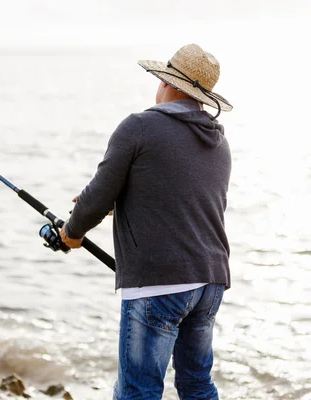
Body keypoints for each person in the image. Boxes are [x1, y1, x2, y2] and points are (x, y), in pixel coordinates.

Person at [59, 44, 233, 400]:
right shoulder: (218, 141)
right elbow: (181, 200)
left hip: (159, 284)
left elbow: (94, 198)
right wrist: (116, 205)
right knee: (197, 384)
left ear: (166, 83)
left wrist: (71, 232)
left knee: (138, 391)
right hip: (210, 281)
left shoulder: (139, 126)